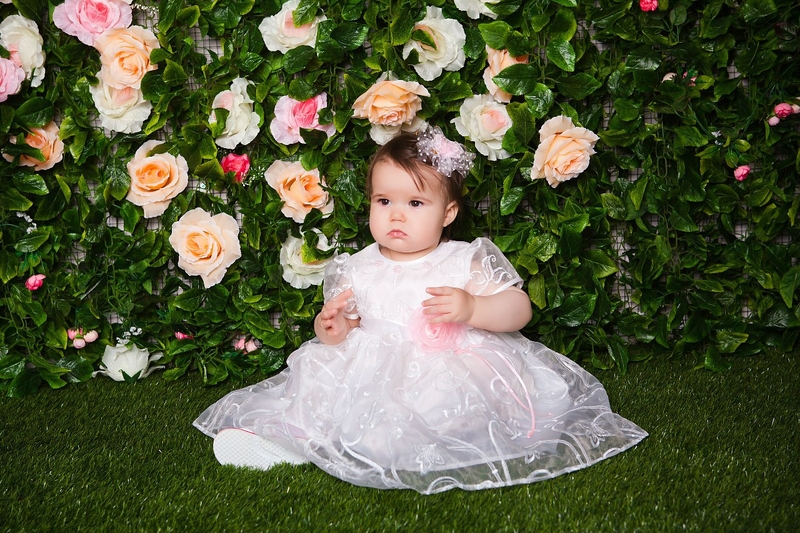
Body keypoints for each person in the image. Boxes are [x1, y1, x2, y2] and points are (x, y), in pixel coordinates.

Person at [193, 127, 647, 494]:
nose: (396, 215)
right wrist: (331, 326)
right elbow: (342, 328)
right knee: (315, 390)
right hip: (370, 371)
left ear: (447, 213)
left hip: (447, 367)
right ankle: (291, 440)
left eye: (415, 203)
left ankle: (374, 443)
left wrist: (473, 306)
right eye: (383, 201)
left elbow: (519, 308)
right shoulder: (357, 266)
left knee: (432, 410)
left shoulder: (462, 259)